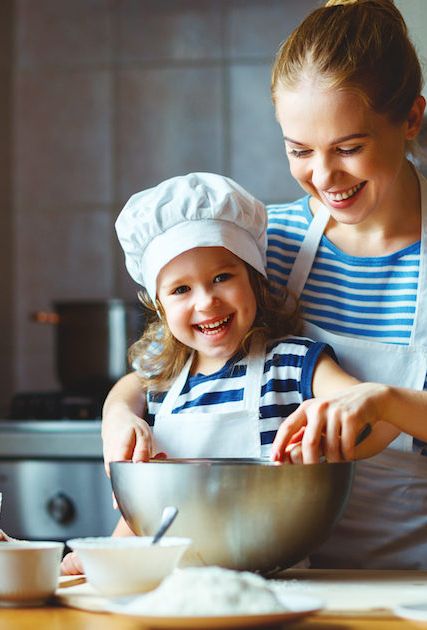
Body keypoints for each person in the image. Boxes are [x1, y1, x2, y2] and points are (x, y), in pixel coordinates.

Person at [100, 0, 427, 571]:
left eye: (350, 148)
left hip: (407, 590)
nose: (324, 179)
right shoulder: (267, 246)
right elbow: (168, 368)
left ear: (411, 119)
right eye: (300, 152)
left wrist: (385, 401)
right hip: (262, 586)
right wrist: (119, 414)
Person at [60, 171, 369, 575]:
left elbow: (363, 404)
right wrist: (105, 558)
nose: (206, 301)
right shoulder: (164, 387)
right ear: (159, 306)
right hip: (177, 587)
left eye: (222, 277)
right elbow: (151, 508)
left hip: (277, 581)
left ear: (253, 280)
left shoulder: (291, 363)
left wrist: (326, 433)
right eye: (180, 290)